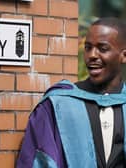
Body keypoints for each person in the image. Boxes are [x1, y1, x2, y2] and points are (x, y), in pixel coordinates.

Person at [16, 17, 126, 168]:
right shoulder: (58, 105)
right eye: (88, 47)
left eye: (103, 48)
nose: (92, 55)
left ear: (123, 56)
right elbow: (39, 161)